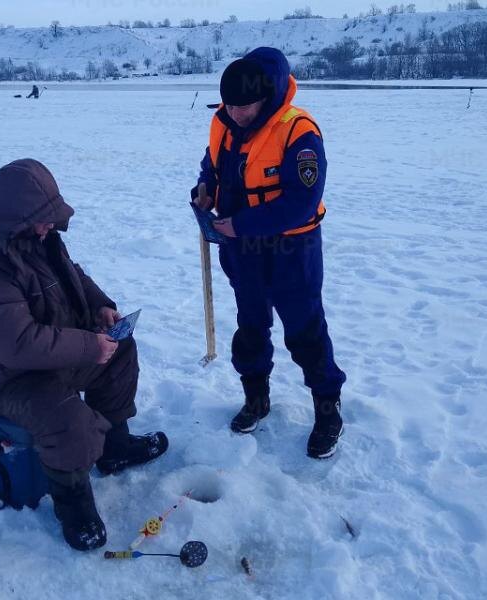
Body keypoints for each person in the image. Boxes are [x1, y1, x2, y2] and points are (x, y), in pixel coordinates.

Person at [0, 159, 168, 551]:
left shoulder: (33, 236)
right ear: (15, 218)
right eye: (43, 219)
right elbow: (19, 345)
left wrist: (100, 306)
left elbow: (73, 274)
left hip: (41, 356)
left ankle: (114, 448)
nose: (51, 226)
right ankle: (74, 504)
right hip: (0, 378)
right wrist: (88, 346)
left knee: (120, 351)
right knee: (68, 419)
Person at [192, 47, 347, 459]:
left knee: (305, 330)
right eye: (231, 105)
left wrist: (240, 224)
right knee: (251, 325)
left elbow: (301, 201)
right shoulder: (224, 121)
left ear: (268, 95)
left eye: (245, 106)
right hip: (242, 250)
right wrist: (203, 191)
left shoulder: (299, 132)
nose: (237, 114)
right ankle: (256, 397)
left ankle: (328, 409)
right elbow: (211, 165)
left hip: (290, 248)